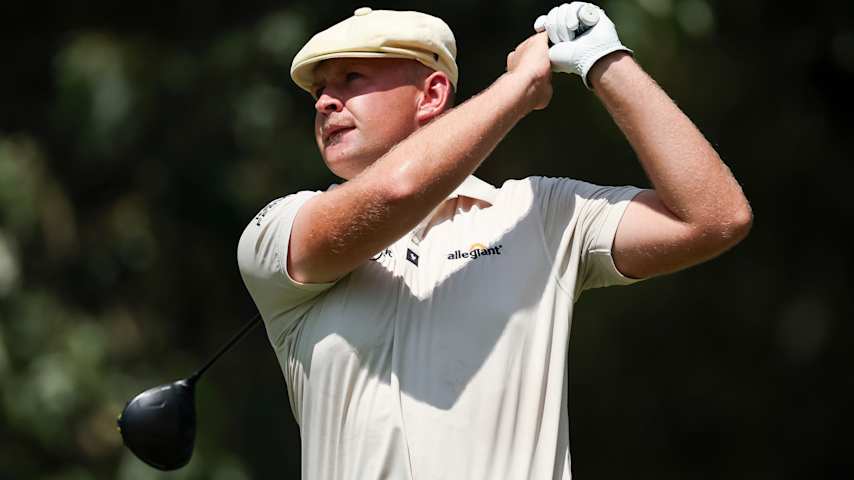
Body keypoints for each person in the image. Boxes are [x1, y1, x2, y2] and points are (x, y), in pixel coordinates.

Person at [237, 3, 752, 479]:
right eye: (319, 91)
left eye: (352, 78)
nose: (326, 101)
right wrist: (520, 86)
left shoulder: (539, 214)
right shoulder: (278, 231)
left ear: (432, 95)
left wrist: (606, 62)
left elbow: (714, 217)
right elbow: (397, 190)